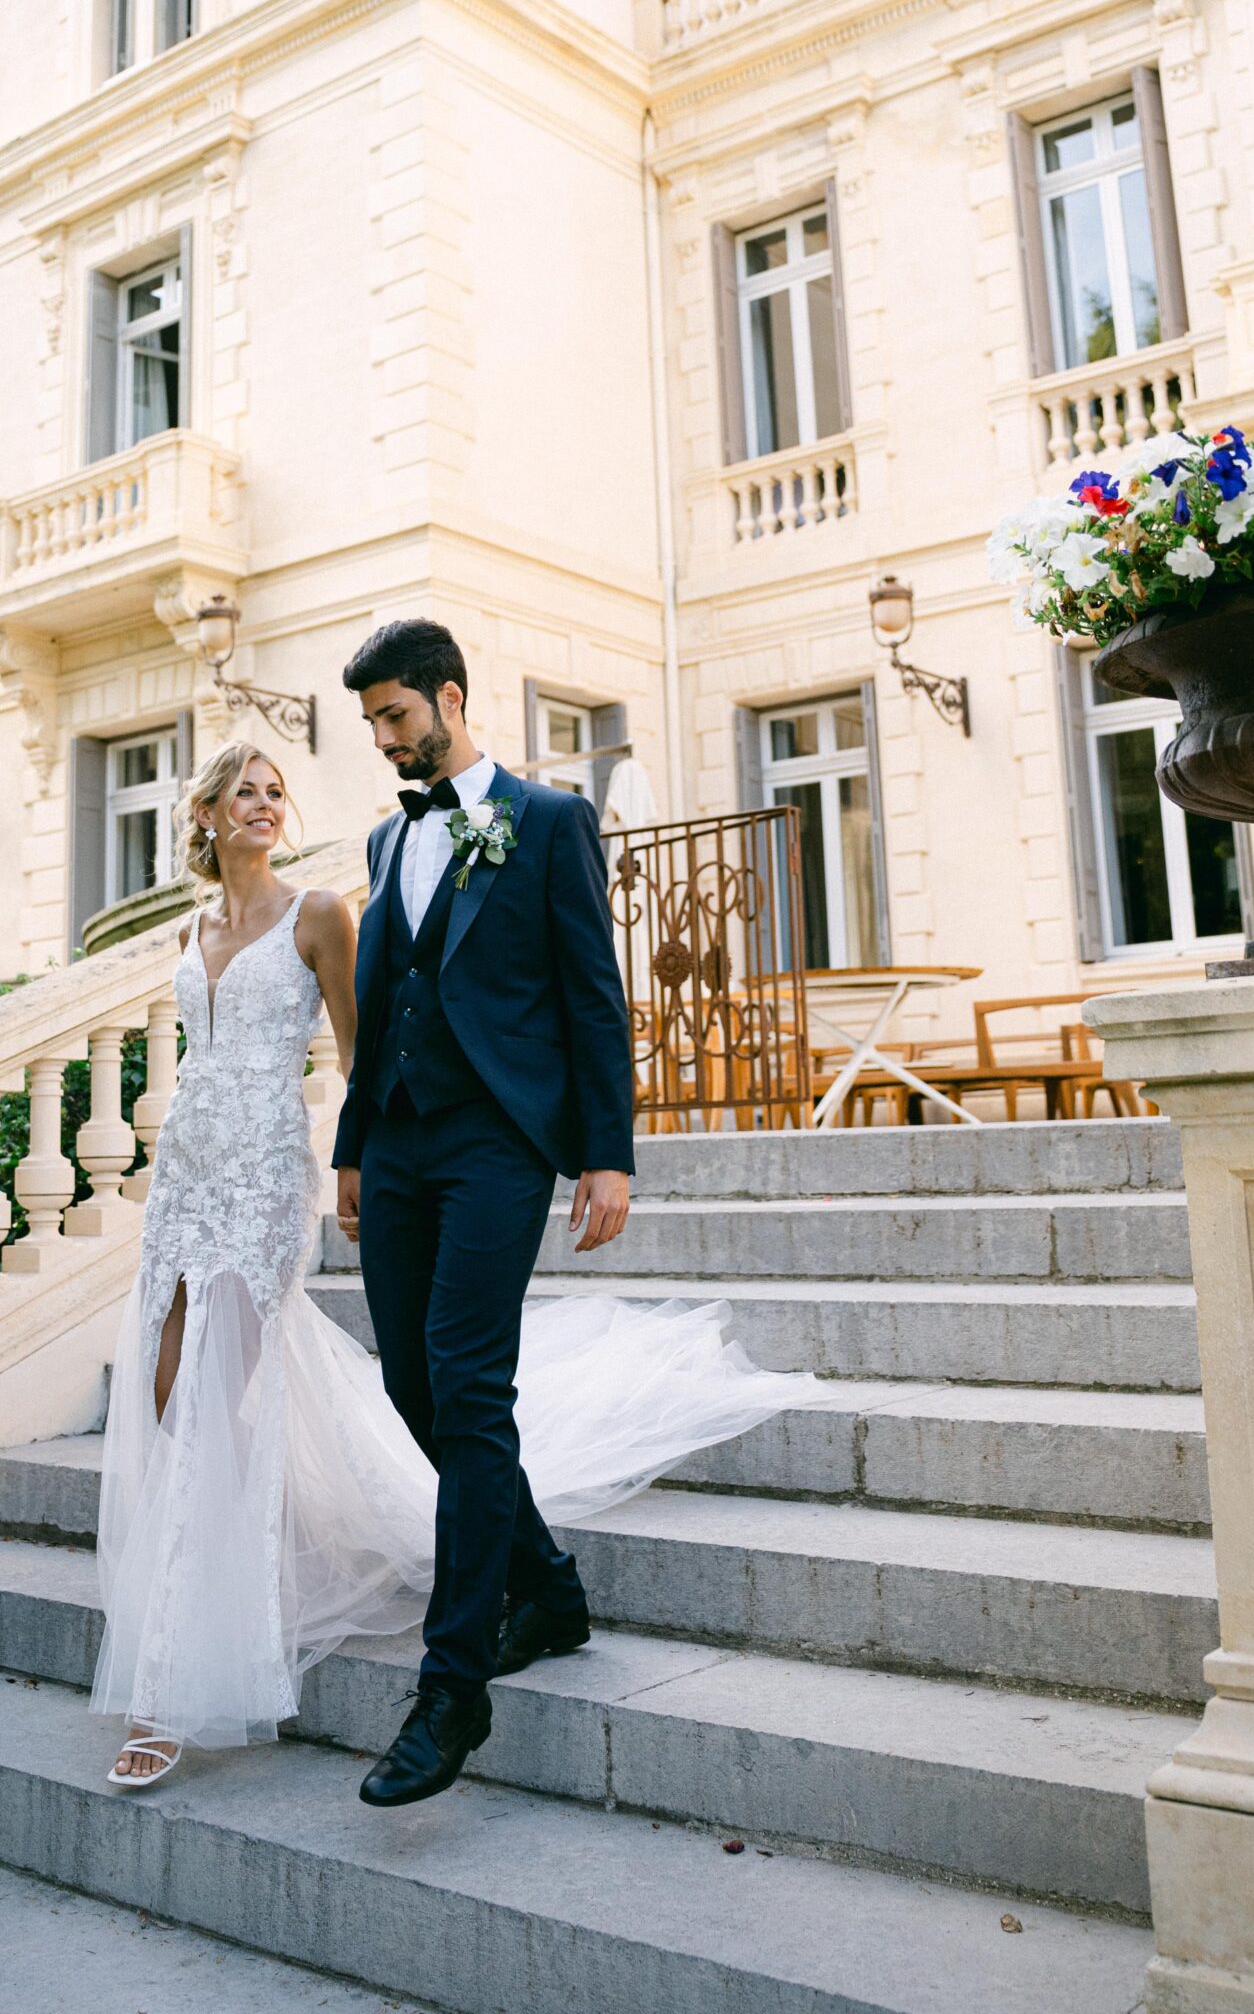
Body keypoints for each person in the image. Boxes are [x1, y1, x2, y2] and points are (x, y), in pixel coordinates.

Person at [93, 703, 816, 1794]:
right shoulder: (263, 898)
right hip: (192, 1170)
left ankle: (222, 1668)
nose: (267, 804)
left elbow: (380, 1036)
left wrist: (577, 1152)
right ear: (204, 814)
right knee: (197, 1397)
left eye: (277, 789)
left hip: (304, 1172)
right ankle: (542, 1582)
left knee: (247, 1401)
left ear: (443, 701)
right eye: (246, 790)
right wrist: (365, 1159)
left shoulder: (338, 903)